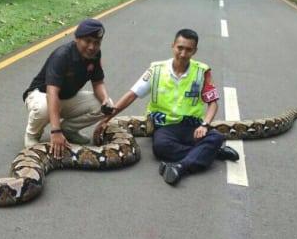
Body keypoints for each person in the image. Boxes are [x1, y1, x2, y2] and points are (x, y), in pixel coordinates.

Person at [95, 28, 238, 185]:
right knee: (160, 147)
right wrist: (106, 119)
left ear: (195, 51)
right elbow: (132, 95)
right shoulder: (156, 70)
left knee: (216, 136)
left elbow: (213, 104)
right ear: (173, 46)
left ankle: (180, 167)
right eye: (180, 48)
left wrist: (205, 124)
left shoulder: (202, 72)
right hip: (165, 127)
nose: (183, 54)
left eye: (188, 50)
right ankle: (211, 152)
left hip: (192, 127)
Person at [23, 18, 113, 158]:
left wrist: (105, 99)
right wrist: (55, 131)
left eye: (96, 43)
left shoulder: (94, 55)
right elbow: (51, 92)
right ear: (77, 38)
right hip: (40, 95)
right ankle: (33, 134)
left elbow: (98, 82)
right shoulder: (62, 55)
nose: (91, 47)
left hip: (66, 97)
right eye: (87, 41)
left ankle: (68, 130)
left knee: (103, 105)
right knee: (44, 108)